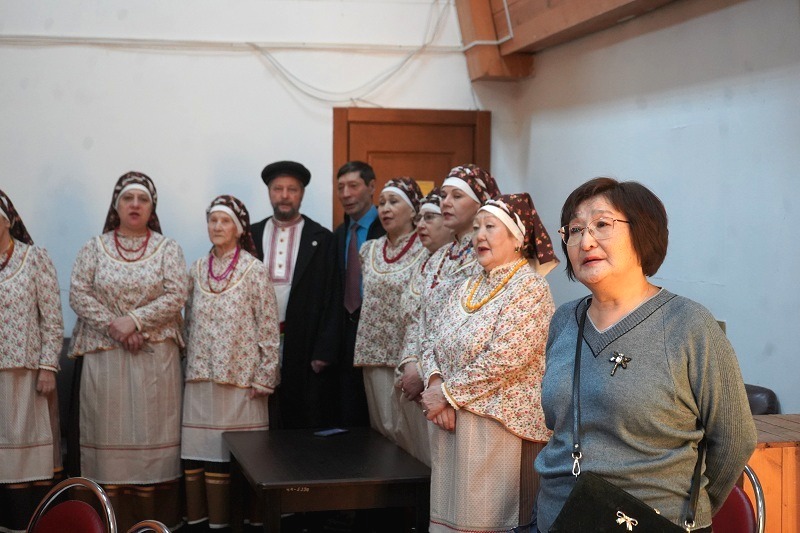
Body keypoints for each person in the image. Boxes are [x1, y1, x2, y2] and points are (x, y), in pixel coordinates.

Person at [534, 177, 758, 533]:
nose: (585, 241)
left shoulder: (689, 324)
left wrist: (686, 509)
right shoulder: (564, 320)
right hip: (559, 520)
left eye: (602, 224)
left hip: (653, 523)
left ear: (642, 233)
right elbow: (557, 425)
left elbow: (734, 440)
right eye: (574, 230)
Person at [420, 192, 558, 533]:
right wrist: (435, 382)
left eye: (490, 227)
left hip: (498, 434)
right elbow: (430, 341)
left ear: (518, 238)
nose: (479, 235)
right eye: (476, 227)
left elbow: (506, 356)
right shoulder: (466, 287)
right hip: (451, 429)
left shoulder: (531, 288)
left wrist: (447, 395)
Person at [69, 172, 188, 531]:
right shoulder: (94, 247)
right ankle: (108, 523)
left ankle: (156, 525)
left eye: (143, 199)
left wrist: (134, 321)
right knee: (108, 436)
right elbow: (78, 293)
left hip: (155, 359)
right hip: (105, 357)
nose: (135, 205)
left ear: (152, 208)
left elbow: (176, 294)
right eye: (127, 198)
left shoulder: (168, 248)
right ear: (116, 205)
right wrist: (115, 326)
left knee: (154, 440)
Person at [182, 195, 280, 530]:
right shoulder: (196, 269)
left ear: (239, 229)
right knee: (200, 455)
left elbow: (268, 326)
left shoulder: (254, 269)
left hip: (242, 383)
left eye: (225, 221)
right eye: (213, 220)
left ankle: (241, 523)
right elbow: (187, 322)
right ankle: (205, 524)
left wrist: (265, 375)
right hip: (200, 382)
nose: (217, 226)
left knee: (240, 457)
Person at [250, 161, 340, 429]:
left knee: (299, 417)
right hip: (256, 341)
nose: (285, 196)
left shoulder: (322, 238)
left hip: (303, 341)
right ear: (269, 193)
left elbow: (333, 296)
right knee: (260, 414)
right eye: (278, 189)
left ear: (302, 194)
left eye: (292, 189)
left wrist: (324, 349)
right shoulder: (251, 235)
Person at [0, 190, 64, 533]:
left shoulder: (34, 258)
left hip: (27, 377)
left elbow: (52, 320)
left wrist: (48, 367)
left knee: (28, 463)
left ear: (7, 221)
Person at [353, 177, 426, 443]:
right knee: (381, 431)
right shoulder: (368, 249)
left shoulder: (426, 249)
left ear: (413, 210)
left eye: (393, 202)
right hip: (373, 352)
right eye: (382, 203)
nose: (385, 208)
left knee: (411, 433)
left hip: (408, 356)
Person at [395, 188, 452, 465]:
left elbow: (444, 327)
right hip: (412, 370)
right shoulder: (427, 263)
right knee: (412, 459)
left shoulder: (461, 265)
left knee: (432, 462)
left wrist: (422, 371)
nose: (420, 225)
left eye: (430, 218)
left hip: (435, 380)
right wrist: (409, 362)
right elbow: (414, 322)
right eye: (418, 218)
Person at [334, 160, 386, 427]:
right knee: (348, 411)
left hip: (381, 335)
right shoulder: (339, 233)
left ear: (371, 186)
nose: (346, 194)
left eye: (353, 186)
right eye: (340, 187)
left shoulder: (387, 228)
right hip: (346, 332)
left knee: (381, 413)